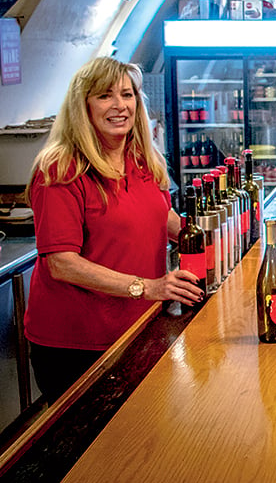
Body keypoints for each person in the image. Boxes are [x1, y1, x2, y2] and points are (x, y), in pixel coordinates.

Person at [25, 57, 204, 402]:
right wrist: (149, 287)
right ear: (83, 107)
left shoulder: (142, 160)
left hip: (138, 325)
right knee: (90, 450)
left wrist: (218, 235)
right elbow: (60, 262)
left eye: (127, 95)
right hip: (79, 344)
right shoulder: (60, 169)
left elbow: (160, 217)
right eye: (105, 96)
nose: (120, 106)